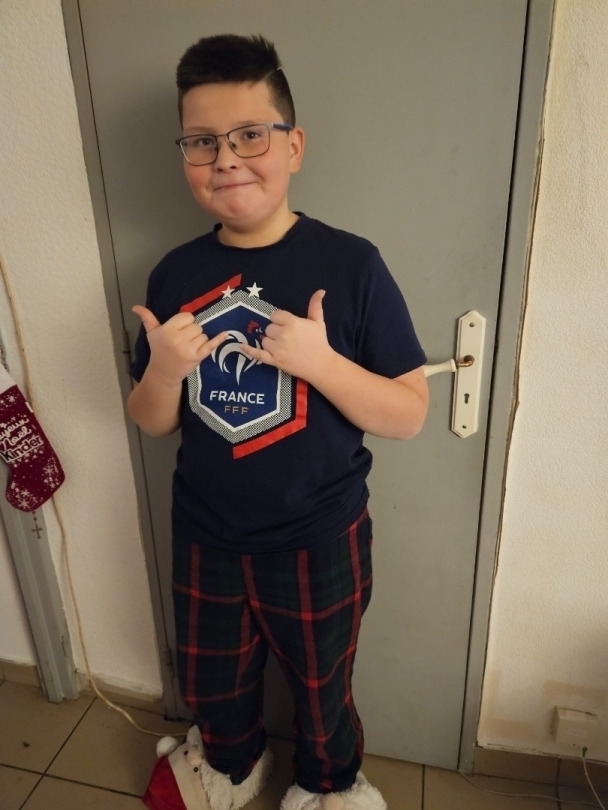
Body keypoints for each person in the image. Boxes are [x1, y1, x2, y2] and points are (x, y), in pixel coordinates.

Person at [128, 33, 428, 810]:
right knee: (214, 680)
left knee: (325, 683)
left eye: (250, 135)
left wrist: (320, 363)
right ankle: (228, 764)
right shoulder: (174, 274)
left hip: (320, 536)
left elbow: (408, 414)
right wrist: (163, 370)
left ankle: (331, 784)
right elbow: (151, 421)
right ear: (185, 155)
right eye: (202, 141)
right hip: (206, 535)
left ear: (293, 146)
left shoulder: (353, 265)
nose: (226, 159)